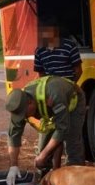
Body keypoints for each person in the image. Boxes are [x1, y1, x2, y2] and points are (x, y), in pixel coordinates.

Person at [5, 75, 86, 184]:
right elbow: (13, 135)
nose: (24, 117)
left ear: (30, 103)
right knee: (43, 150)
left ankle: (76, 182)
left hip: (73, 103)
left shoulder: (54, 93)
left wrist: (43, 155)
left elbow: (61, 129)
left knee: (72, 144)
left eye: (25, 114)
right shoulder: (19, 105)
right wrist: (13, 166)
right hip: (51, 112)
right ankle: (45, 182)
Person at [33, 18, 83, 169]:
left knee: (72, 138)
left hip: (71, 97)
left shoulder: (69, 46)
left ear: (56, 31)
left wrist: (69, 87)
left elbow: (78, 70)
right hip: (50, 98)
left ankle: (75, 170)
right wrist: (46, 94)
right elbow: (41, 75)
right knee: (50, 134)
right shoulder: (39, 51)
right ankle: (50, 171)